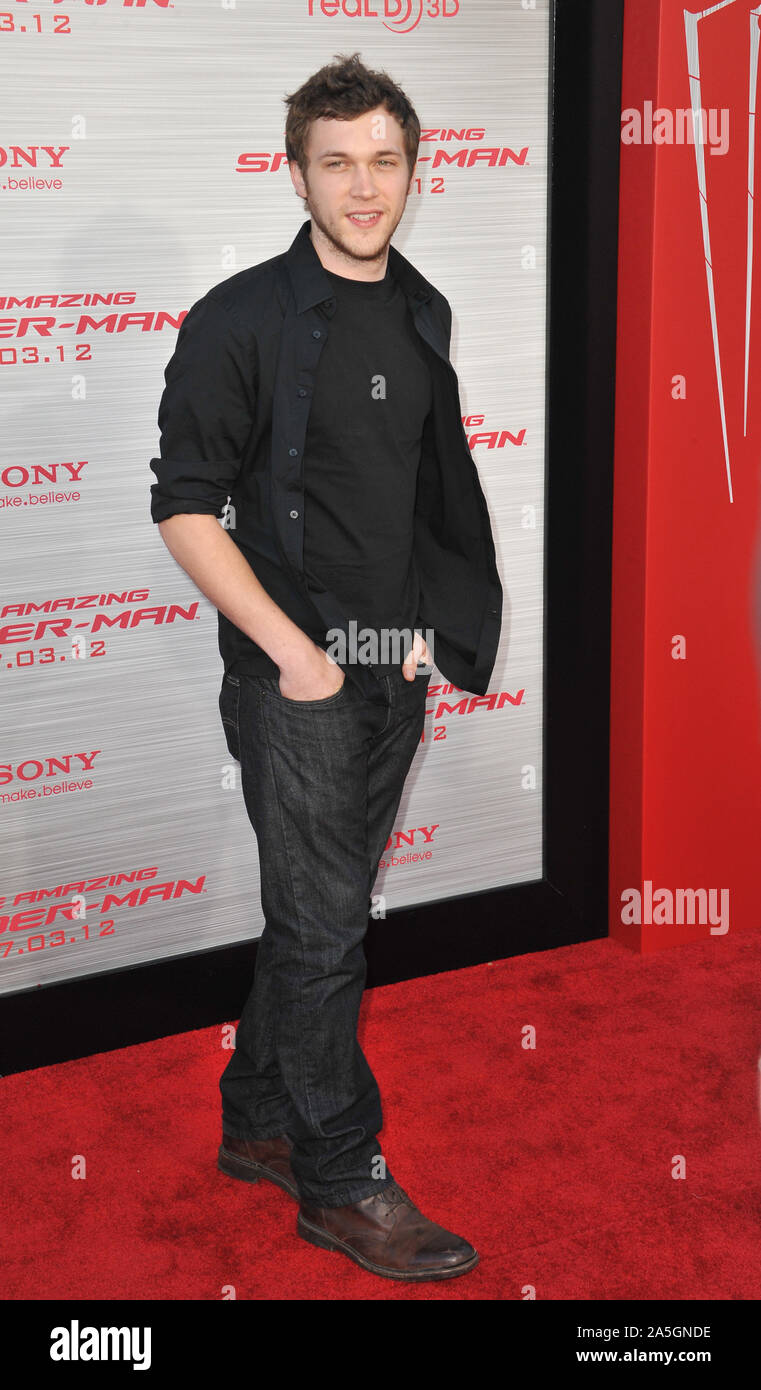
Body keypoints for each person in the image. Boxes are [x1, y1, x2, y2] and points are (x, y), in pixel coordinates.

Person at [149, 51, 502, 1283]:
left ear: (415, 171)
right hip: (291, 678)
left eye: (385, 162)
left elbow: (417, 489)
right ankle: (340, 1176)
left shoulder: (422, 308)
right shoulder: (237, 319)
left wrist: (415, 636)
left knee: (313, 922)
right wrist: (295, 653)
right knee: (324, 932)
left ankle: (256, 1122)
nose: (364, 188)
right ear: (295, 171)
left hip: (386, 671)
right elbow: (185, 506)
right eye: (337, 163)